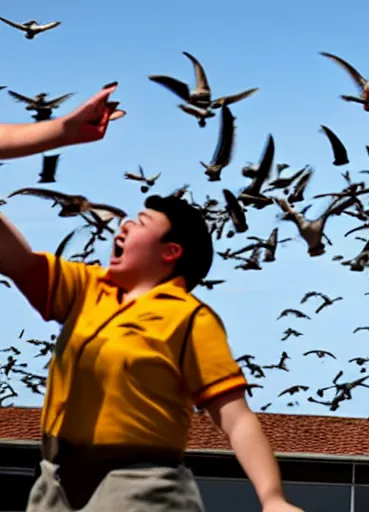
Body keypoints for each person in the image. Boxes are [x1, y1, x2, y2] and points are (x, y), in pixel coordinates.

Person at [0, 86, 304, 512]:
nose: (121, 226)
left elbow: (234, 418)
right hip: (54, 484)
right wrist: (59, 132)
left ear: (170, 252)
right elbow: (14, 257)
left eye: (139, 222)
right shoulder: (88, 288)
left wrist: (272, 499)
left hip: (138, 488)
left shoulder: (189, 319)